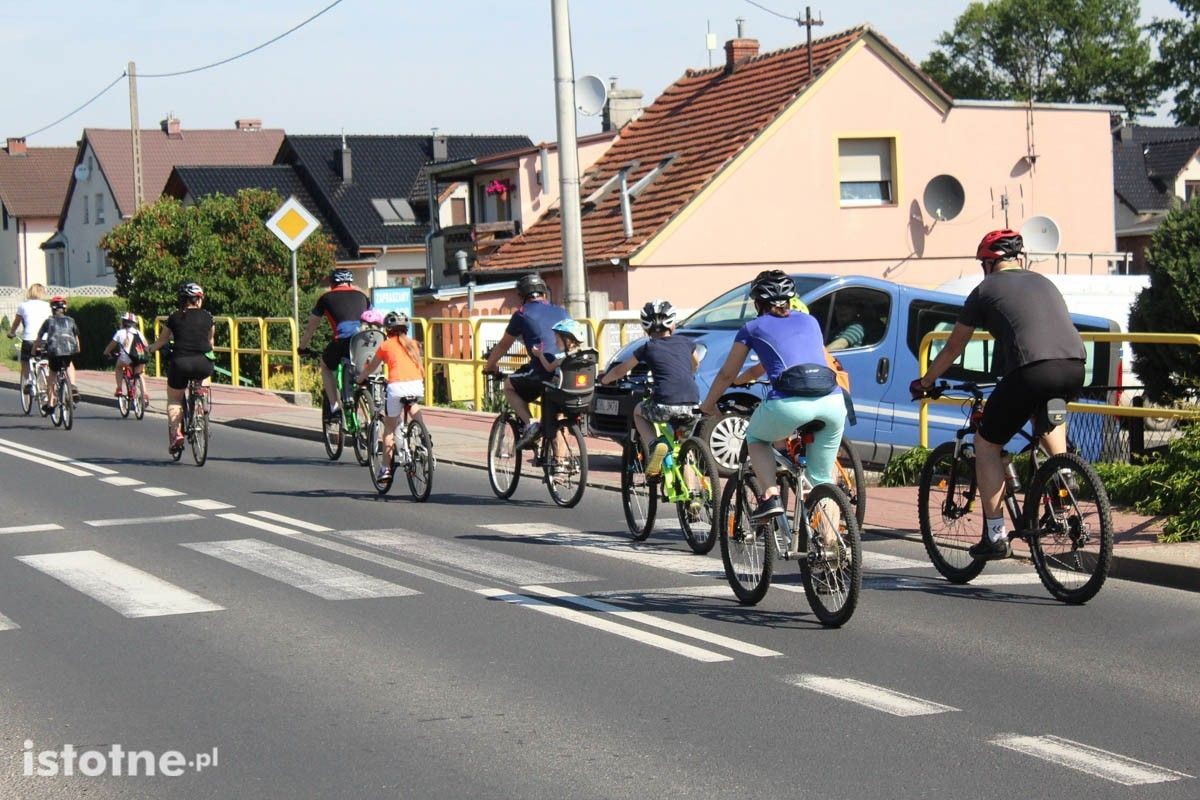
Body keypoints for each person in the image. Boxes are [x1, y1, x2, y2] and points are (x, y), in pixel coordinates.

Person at [911, 229, 1086, 559]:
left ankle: (995, 535)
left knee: (986, 444)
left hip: (1031, 369)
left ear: (990, 263)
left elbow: (954, 347)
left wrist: (926, 381)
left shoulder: (985, 290)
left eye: (983, 264)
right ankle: (1062, 475)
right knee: (1044, 415)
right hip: (1074, 365)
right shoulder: (1045, 282)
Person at [700, 271, 847, 521]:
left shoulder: (752, 328)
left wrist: (709, 404)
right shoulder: (810, 321)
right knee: (821, 481)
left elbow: (726, 374)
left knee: (756, 437)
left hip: (789, 403)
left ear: (758, 303)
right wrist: (743, 378)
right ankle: (831, 541)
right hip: (833, 402)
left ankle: (770, 496)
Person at [600, 300, 700, 476]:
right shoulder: (686, 342)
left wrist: (605, 379)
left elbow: (621, 370)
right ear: (672, 325)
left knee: (638, 412)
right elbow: (696, 364)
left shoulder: (648, 347)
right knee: (684, 449)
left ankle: (654, 445)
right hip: (693, 405)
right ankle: (693, 491)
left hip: (665, 404)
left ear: (646, 328)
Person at [481, 273, 569, 449]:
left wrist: (490, 366)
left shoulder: (522, 314)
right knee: (557, 415)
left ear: (522, 296)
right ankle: (560, 462)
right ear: (544, 293)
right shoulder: (561, 311)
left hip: (542, 371)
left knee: (509, 385)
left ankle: (530, 425)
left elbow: (503, 345)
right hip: (565, 371)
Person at [146, 282, 214, 454]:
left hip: (181, 363)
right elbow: (210, 343)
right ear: (199, 299)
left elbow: (162, 341)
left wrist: (149, 349)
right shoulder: (208, 317)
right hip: (203, 364)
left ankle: (177, 434)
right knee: (204, 374)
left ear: (183, 300)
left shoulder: (174, 316)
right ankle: (201, 404)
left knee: (174, 399)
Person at [357, 312, 425, 482]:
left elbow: (371, 367)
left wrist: (360, 379)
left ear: (387, 330)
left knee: (389, 429)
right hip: (417, 385)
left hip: (397, 387)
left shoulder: (386, 345)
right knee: (412, 404)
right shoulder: (414, 344)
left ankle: (385, 469)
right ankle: (423, 433)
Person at [298, 268, 371, 418]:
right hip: (363, 341)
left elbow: (311, 328)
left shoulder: (325, 298)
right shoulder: (363, 296)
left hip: (342, 341)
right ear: (350, 283)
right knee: (362, 371)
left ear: (332, 284)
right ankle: (371, 413)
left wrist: (302, 347)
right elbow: (373, 317)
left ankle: (334, 406)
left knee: (325, 365)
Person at [33, 296, 81, 414]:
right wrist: (77, 349)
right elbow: (76, 338)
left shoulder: (48, 321)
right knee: (69, 364)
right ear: (64, 309)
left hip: (54, 351)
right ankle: (73, 386)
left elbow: (39, 338)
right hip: (69, 350)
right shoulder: (71, 320)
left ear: (52, 309)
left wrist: (34, 351)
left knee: (52, 374)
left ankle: (50, 403)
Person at [7, 283, 52, 396]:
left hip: (29, 338)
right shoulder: (47, 305)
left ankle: (28, 382)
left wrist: (11, 332)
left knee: (25, 361)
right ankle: (48, 383)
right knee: (45, 360)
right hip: (45, 339)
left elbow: (16, 323)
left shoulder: (23, 306)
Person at [103, 312, 150, 403]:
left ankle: (119, 388)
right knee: (139, 374)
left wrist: (106, 352)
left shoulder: (120, 333)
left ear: (123, 322)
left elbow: (111, 345)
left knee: (118, 367)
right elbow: (146, 344)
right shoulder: (138, 333)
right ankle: (144, 394)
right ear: (134, 323)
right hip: (139, 357)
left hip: (126, 358)